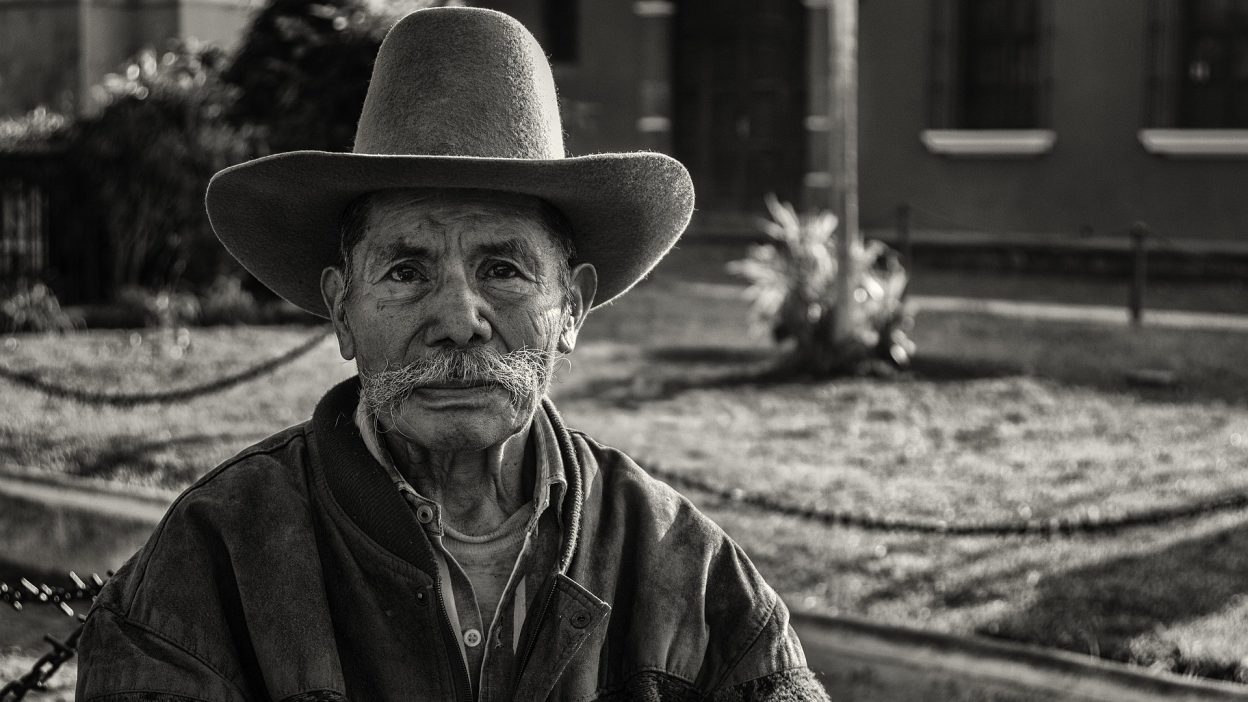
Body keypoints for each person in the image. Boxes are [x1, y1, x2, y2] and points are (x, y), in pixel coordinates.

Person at [75, 7, 830, 701]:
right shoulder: (216, 555)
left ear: (571, 308)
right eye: (407, 271)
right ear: (342, 310)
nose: (460, 321)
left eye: (502, 269)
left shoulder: (682, 564)